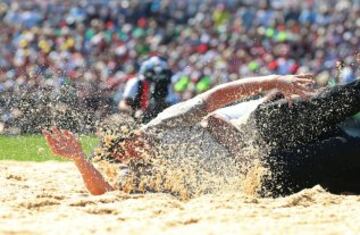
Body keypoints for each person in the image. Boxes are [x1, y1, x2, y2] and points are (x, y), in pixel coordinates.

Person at [43, 74, 360, 197]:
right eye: (128, 146)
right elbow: (105, 192)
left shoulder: (162, 125)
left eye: (135, 136)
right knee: (342, 156)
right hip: (266, 172)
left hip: (258, 128)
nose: (139, 143)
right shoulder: (136, 177)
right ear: (121, 154)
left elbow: (216, 98)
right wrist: (79, 159)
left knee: (331, 105)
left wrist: (274, 80)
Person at [118, 56, 174, 123]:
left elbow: (169, 105)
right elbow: (122, 104)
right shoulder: (136, 82)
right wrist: (133, 112)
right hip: (133, 120)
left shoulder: (164, 86)